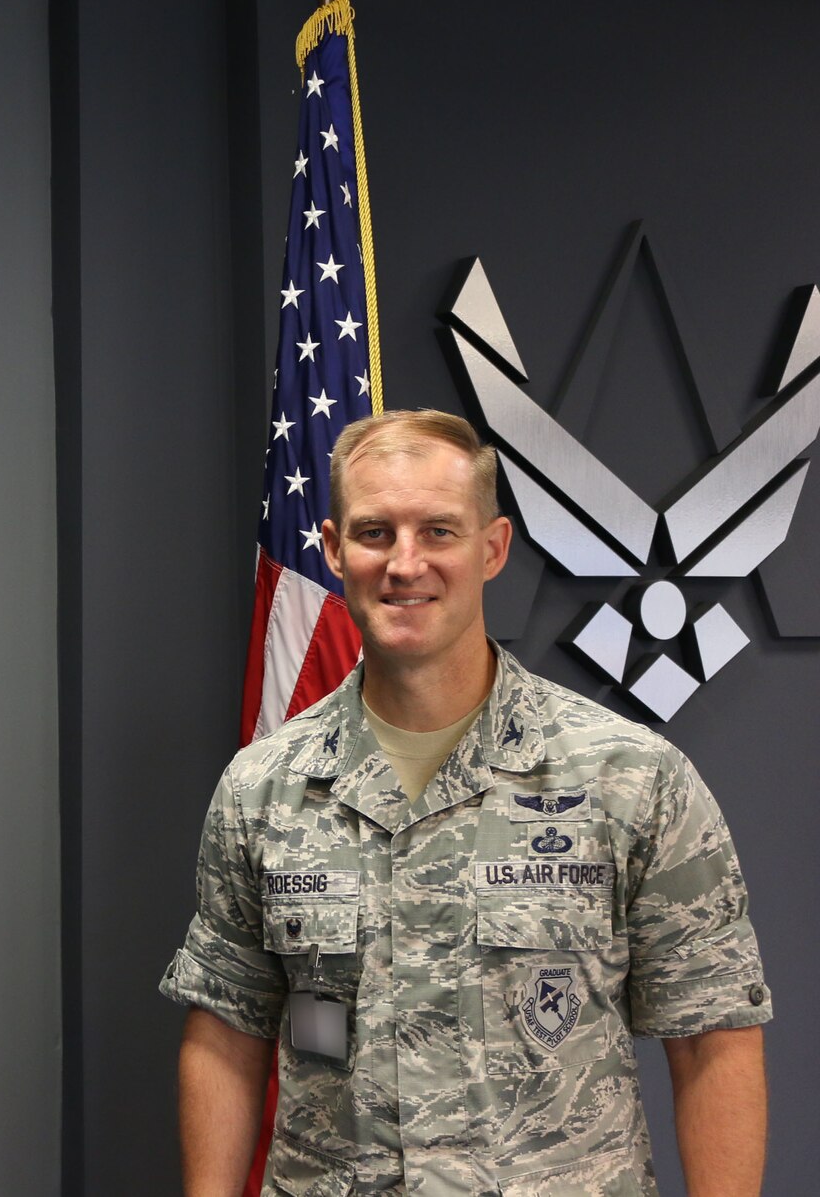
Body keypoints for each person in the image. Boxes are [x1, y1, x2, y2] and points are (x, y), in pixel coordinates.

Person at [161, 409, 770, 1195]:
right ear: (334, 547)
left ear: (493, 548)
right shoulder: (263, 788)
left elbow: (712, 1036)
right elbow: (226, 1032)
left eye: (439, 531)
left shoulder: (629, 777)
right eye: (376, 531)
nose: (404, 563)